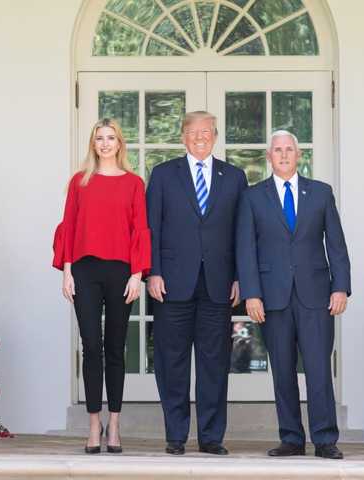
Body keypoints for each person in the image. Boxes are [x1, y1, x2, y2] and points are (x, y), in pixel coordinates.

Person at [236, 130, 351, 459]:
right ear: (269, 157)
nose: (284, 155)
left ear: (298, 155)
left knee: (318, 369)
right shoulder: (253, 197)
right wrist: (252, 294)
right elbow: (246, 249)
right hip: (272, 298)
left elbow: (337, 245)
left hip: (316, 295)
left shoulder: (320, 193)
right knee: (282, 370)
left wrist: (340, 286)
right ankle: (291, 438)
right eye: (277, 150)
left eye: (289, 150)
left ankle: (325, 438)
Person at [146, 111, 248, 455]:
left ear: (215, 136)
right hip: (172, 282)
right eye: (193, 132)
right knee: (171, 361)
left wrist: (239, 277)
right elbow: (152, 228)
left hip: (219, 284)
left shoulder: (234, 177)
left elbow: (242, 234)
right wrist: (153, 272)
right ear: (183, 137)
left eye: (206, 131)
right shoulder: (162, 174)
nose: (200, 137)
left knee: (214, 363)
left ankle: (210, 437)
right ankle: (176, 436)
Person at [53, 118, 150, 454]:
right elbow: (69, 225)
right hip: (84, 270)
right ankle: (94, 424)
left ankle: (115, 424)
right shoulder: (79, 182)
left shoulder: (134, 183)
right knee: (91, 346)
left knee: (115, 348)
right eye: (99, 138)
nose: (105, 143)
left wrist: (137, 274)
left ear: (120, 143)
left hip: (122, 272)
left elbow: (140, 229)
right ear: (93, 144)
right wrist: (66, 271)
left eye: (111, 138)